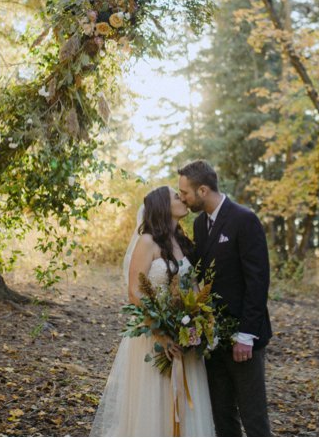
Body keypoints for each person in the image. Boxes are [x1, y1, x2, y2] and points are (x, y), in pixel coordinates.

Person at [91, 186, 215, 437]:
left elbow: (193, 289)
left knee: (186, 404)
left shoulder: (181, 241)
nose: (182, 199)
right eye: (175, 196)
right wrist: (162, 333)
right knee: (155, 399)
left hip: (183, 336)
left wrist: (194, 329)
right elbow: (135, 293)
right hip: (154, 336)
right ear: (162, 205)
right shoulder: (147, 241)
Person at [177, 160, 272, 437]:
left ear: (203, 190)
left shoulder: (244, 219)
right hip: (212, 337)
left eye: (185, 192)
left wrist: (246, 335)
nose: (182, 197)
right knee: (223, 418)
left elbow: (258, 281)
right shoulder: (199, 225)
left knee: (254, 419)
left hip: (244, 339)